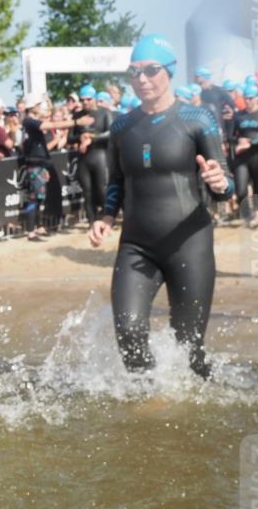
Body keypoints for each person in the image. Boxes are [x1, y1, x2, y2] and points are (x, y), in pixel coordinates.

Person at [88, 34, 233, 379]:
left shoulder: (197, 118)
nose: (141, 79)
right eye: (133, 72)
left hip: (190, 244)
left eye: (150, 70)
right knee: (129, 331)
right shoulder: (123, 126)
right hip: (137, 246)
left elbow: (225, 181)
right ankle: (148, 404)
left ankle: (198, 406)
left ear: (169, 71)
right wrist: (106, 217)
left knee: (189, 347)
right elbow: (117, 181)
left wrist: (221, 184)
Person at [20, 96, 81, 241]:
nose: (40, 107)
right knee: (34, 198)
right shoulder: (29, 121)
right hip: (35, 164)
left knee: (39, 198)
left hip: (40, 163)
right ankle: (31, 231)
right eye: (38, 105)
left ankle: (38, 227)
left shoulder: (32, 121)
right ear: (32, 106)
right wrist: (75, 122)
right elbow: (45, 126)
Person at [231, 85, 258, 227]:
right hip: (242, 157)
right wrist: (238, 141)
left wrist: (251, 142)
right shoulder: (238, 115)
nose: (248, 101)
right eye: (246, 98)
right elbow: (231, 135)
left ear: (256, 98)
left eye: (251, 98)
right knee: (241, 189)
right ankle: (248, 213)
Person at [71, 85, 110, 224]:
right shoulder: (77, 116)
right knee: (87, 192)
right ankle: (91, 222)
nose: (85, 102)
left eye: (88, 99)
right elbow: (71, 137)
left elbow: (110, 134)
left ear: (94, 98)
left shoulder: (104, 112)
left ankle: (107, 221)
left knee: (101, 190)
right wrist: (80, 138)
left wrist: (91, 137)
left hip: (100, 155)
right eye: (82, 100)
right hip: (84, 158)